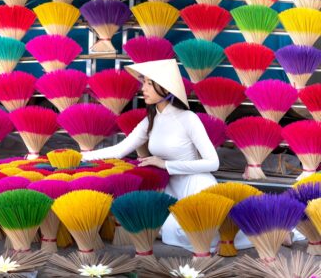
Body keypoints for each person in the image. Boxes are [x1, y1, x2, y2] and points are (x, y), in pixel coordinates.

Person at [82, 59, 253, 252]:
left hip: (197, 185)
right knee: (166, 228)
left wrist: (165, 165)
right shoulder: (151, 120)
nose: (143, 88)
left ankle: (269, 233)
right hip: (171, 190)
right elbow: (120, 149)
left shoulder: (188, 118)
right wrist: (81, 156)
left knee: (196, 231)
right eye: (143, 82)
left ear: (164, 87)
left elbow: (213, 163)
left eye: (148, 83)